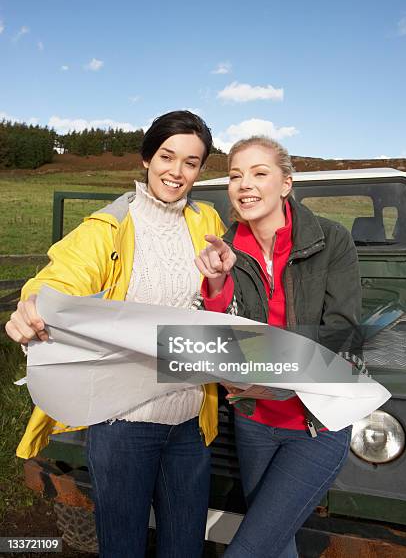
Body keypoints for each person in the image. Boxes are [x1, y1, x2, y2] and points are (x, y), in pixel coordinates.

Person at [6, 111, 225, 558]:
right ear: (147, 158)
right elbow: (59, 280)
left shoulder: (208, 225)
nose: (176, 172)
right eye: (167, 156)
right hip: (122, 423)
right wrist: (30, 307)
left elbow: (220, 304)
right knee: (121, 547)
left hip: (188, 420)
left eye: (191, 162)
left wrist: (223, 282)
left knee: (184, 548)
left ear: (201, 170)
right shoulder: (108, 226)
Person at [195, 136, 362, 558]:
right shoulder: (225, 248)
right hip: (254, 423)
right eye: (235, 175)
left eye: (259, 173)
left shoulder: (332, 240)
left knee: (248, 549)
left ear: (286, 183)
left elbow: (340, 336)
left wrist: (273, 382)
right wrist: (216, 284)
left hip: (316, 424)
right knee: (276, 544)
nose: (244, 184)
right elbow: (223, 336)